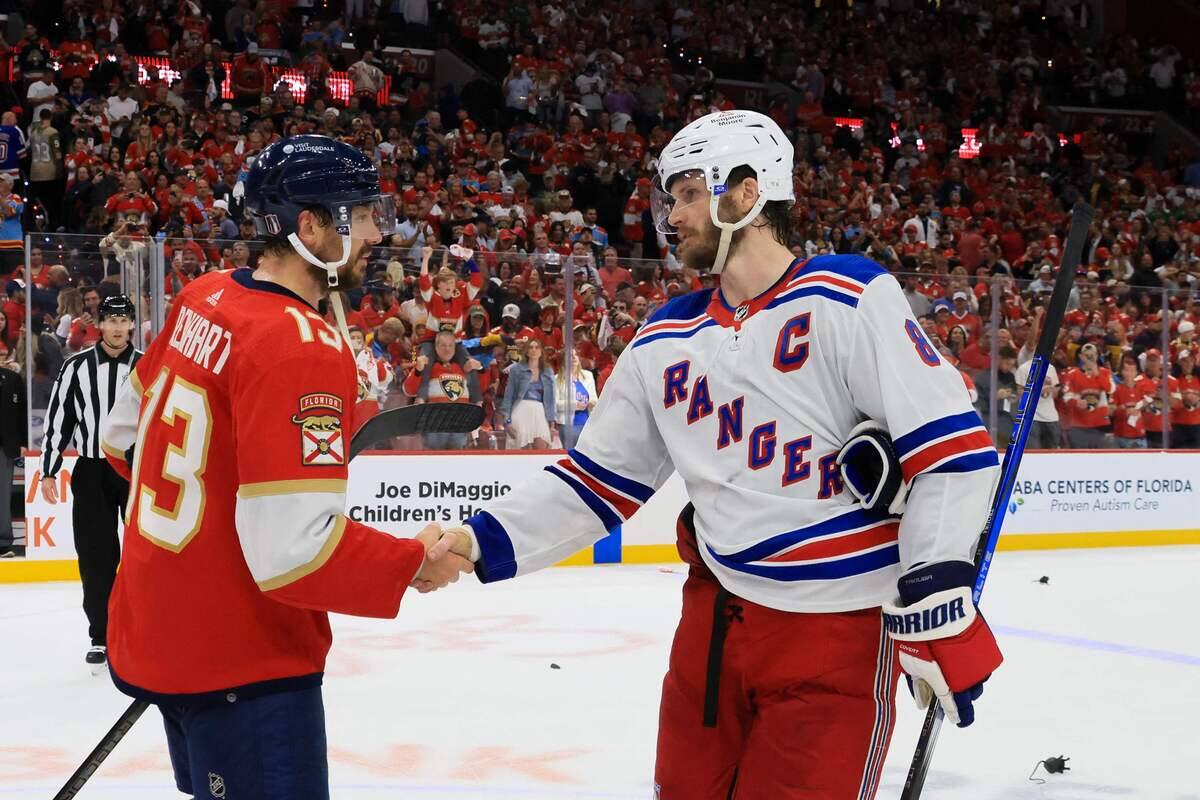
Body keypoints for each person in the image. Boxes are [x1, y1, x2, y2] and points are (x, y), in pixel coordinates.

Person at [418, 110, 1003, 797]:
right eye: (672, 198)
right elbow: (594, 483)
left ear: (749, 192)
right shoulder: (664, 336)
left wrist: (935, 591)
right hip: (715, 625)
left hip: (836, 630)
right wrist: (476, 541)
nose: (673, 214)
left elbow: (952, 452)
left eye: (690, 193)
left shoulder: (848, 298)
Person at [98, 135, 473, 800]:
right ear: (311, 226)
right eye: (362, 216)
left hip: (156, 632)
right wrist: (411, 562)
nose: (374, 235)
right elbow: (294, 555)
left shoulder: (204, 296)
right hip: (244, 664)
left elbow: (122, 440)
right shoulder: (301, 347)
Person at [40, 295, 142, 671]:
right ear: (99, 324)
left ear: (132, 324)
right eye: (111, 320)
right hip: (91, 471)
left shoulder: (148, 366)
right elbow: (59, 419)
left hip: (136, 471)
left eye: (123, 320)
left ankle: (142, 632)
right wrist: (49, 469)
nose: (117, 327)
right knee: (96, 556)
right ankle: (101, 634)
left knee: (144, 555)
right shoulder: (76, 367)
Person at [499, 338, 556, 450]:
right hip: (520, 409)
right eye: (531, 347)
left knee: (541, 446)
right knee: (522, 450)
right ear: (526, 351)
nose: (534, 350)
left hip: (540, 412)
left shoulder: (547, 371)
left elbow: (551, 399)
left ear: (541, 351)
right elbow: (509, 395)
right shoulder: (516, 369)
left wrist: (552, 422)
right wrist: (507, 421)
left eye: (537, 347)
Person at [0, 359, 25, 557]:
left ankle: (2, 541)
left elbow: (22, 413)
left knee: (2, 494)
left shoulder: (13, 379)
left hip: (5, 446)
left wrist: (22, 442)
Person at [555, 347, 597, 450]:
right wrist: (575, 405)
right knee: (570, 455)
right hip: (568, 425)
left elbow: (594, 398)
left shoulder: (588, 375)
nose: (574, 358)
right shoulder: (556, 379)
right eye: (570, 356)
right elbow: (555, 404)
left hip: (587, 424)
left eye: (575, 355)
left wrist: (592, 403)